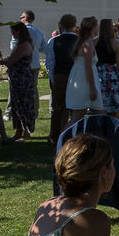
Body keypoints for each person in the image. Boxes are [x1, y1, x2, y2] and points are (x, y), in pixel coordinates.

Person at [65, 16, 102, 125]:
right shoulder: (87, 44)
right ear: (93, 27)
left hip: (80, 78)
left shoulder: (83, 42)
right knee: (78, 115)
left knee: (93, 113)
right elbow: (88, 67)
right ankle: (62, 138)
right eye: (97, 26)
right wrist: (92, 88)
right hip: (84, 81)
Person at [48, 14, 78, 149]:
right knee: (75, 108)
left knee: (57, 108)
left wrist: (53, 79)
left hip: (60, 75)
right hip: (75, 76)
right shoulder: (79, 41)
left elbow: (50, 63)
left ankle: (54, 136)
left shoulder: (53, 41)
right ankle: (72, 134)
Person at [5, 21, 37, 141]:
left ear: (20, 31)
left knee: (22, 104)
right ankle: (20, 131)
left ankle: (25, 132)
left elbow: (11, 61)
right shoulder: (22, 44)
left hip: (21, 78)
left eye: (14, 31)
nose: (12, 34)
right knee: (17, 104)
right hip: (19, 77)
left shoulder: (24, 45)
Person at [96, 18, 119, 115]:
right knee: (114, 104)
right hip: (112, 74)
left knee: (100, 105)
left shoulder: (94, 42)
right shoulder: (116, 43)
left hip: (99, 73)